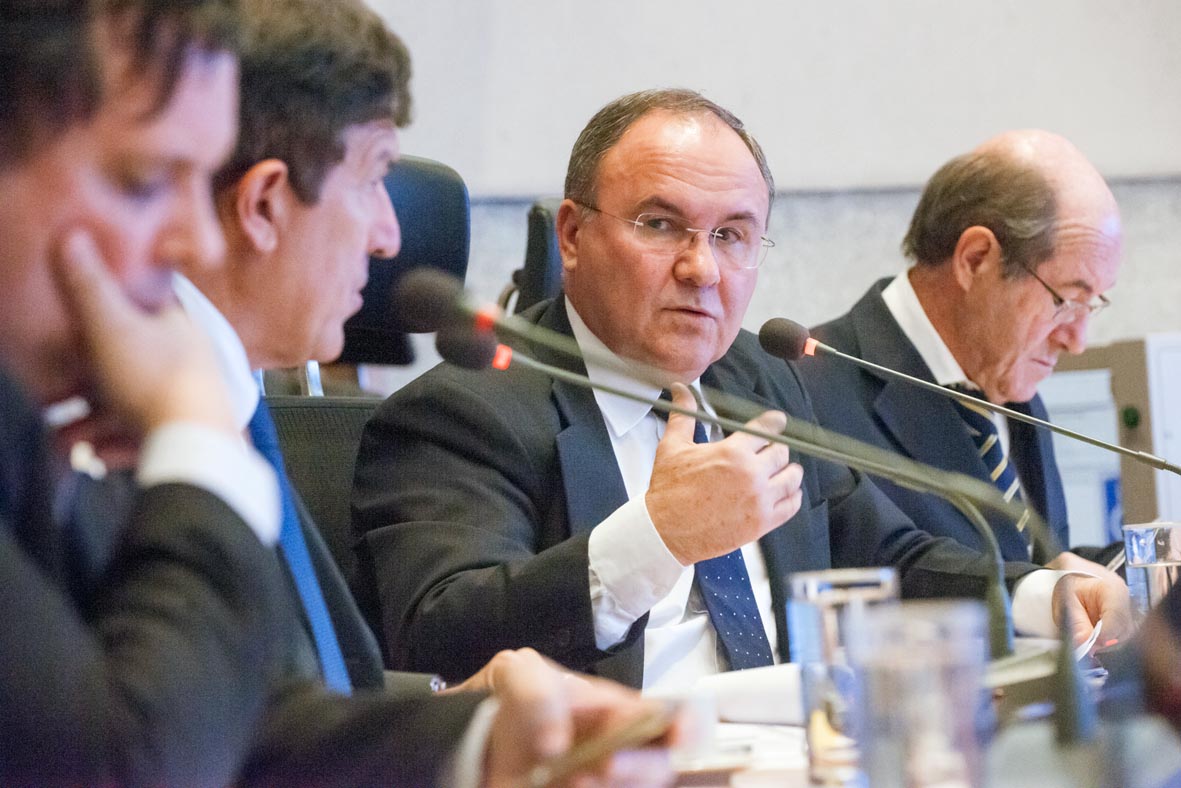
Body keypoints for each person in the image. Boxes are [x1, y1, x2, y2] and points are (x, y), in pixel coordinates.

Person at [0, 1, 671, 785]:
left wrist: (480, 743)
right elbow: (129, 762)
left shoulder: (64, 417)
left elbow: (223, 718)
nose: (196, 238)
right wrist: (197, 443)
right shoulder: (158, 419)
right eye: (144, 181)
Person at [352, 89, 1131, 692]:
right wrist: (656, 537)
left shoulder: (762, 378)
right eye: (660, 225)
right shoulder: (462, 412)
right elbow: (437, 640)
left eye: (730, 235)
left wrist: (1042, 595)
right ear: (573, 235)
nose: (701, 269)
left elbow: (887, 557)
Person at [800, 130, 1125, 574]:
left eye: (1093, 304)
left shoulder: (1003, 373)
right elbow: (895, 581)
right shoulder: (809, 392)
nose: (1076, 340)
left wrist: (1151, 563)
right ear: (975, 259)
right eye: (1066, 301)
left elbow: (1033, 563)